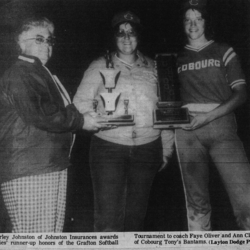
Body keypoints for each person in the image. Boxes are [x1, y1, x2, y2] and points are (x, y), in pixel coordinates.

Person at [0, 16, 106, 233]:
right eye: (39, 39)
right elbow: (42, 114)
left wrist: (82, 114)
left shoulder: (37, 71)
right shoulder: (21, 72)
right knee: (32, 238)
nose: (47, 45)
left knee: (48, 236)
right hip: (30, 167)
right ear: (20, 41)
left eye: (50, 40)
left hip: (47, 163)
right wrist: (82, 120)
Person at [73, 11, 174, 232]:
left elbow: (166, 109)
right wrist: (96, 119)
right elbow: (80, 101)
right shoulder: (99, 64)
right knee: (108, 217)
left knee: (136, 216)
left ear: (139, 36)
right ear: (114, 37)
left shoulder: (155, 67)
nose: (126, 38)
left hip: (148, 149)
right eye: (121, 33)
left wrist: (166, 148)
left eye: (132, 33)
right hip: (108, 148)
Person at [175, 0, 250, 230]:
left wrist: (208, 117)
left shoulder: (223, 50)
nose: (193, 24)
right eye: (188, 19)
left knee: (245, 199)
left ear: (206, 22)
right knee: (197, 205)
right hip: (187, 133)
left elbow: (241, 95)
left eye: (198, 18)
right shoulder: (175, 59)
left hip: (221, 128)